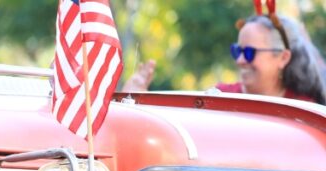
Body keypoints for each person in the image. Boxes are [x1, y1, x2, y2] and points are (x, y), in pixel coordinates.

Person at [125, 13, 326, 104]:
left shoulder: (306, 111)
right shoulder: (221, 98)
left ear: (283, 58)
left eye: (249, 53)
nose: (239, 61)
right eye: (236, 51)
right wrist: (135, 101)